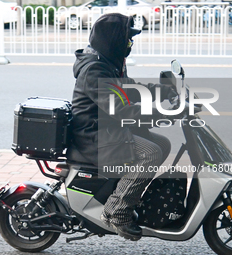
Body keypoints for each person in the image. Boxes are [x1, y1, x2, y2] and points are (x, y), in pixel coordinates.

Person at [69, 13, 177, 241]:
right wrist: (161, 112)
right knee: (151, 153)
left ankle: (127, 191)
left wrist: (163, 91)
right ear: (114, 40)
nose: (131, 43)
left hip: (107, 128)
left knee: (163, 143)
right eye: (128, 38)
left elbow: (129, 89)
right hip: (94, 135)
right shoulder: (94, 70)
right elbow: (121, 109)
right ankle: (117, 211)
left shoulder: (107, 62)